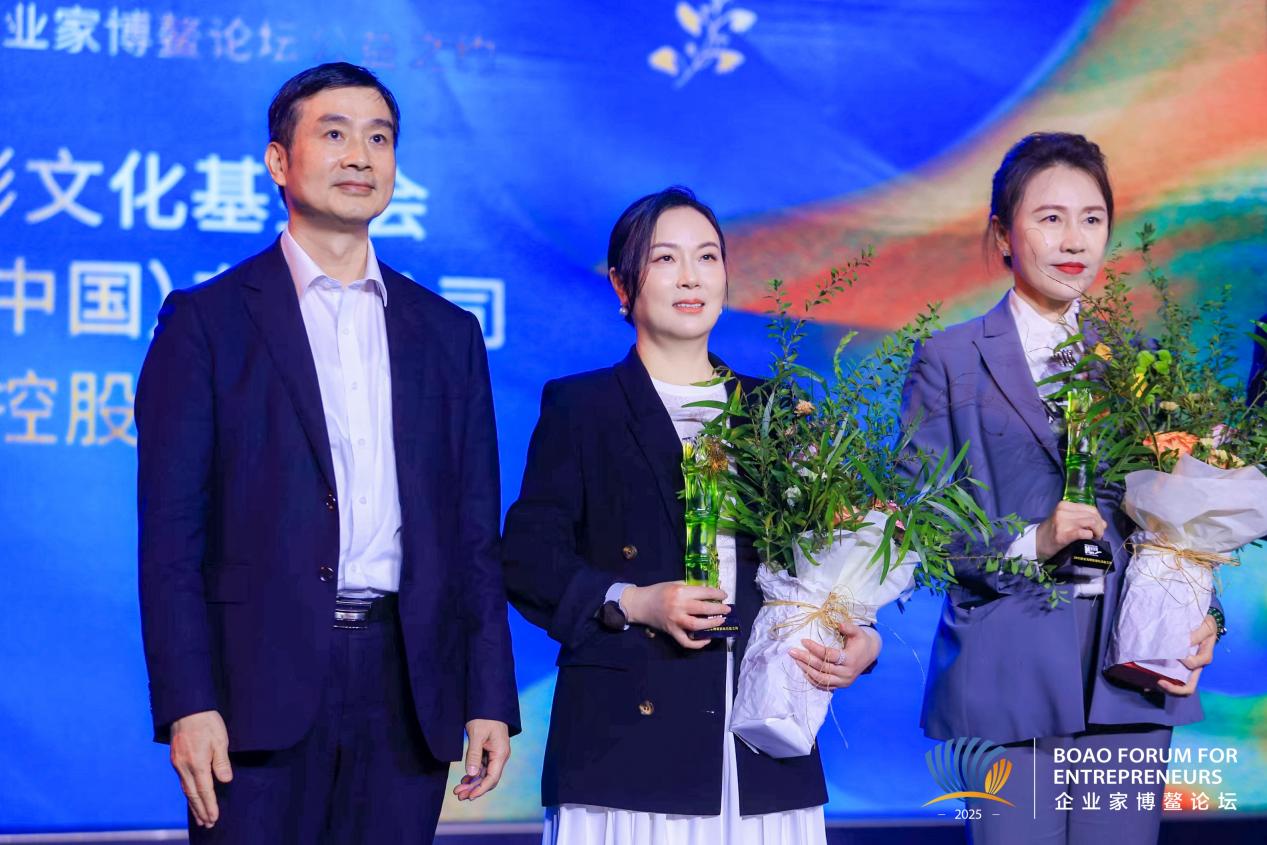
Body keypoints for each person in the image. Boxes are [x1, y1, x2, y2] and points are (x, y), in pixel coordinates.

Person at [136, 62, 519, 844]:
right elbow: (171, 539)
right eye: (334, 134)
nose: (359, 156)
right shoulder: (207, 323)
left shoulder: (446, 334)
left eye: (378, 138)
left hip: (407, 684)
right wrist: (187, 701)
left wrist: (488, 695)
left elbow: (472, 535)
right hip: (256, 688)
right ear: (279, 161)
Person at [502, 186, 881, 844]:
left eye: (707, 257)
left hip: (760, 732)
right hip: (627, 741)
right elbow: (529, 561)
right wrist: (633, 601)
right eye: (664, 258)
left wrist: (862, 640)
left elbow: (830, 556)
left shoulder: (777, 411)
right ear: (622, 285)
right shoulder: (581, 407)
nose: (690, 276)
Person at [901, 132, 1220, 844]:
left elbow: (1177, 524)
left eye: (1091, 218)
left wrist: (1205, 619)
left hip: (1126, 674)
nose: (1073, 239)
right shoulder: (948, 359)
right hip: (1005, 669)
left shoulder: (1138, 364)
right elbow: (923, 524)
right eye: (1049, 218)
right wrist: (1033, 540)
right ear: (1002, 234)